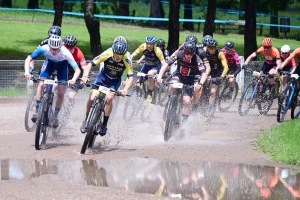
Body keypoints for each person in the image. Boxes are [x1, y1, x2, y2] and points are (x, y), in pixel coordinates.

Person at [24, 35, 81, 128]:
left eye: (56, 49)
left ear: (60, 48)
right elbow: (29, 58)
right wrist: (27, 71)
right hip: (49, 65)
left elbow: (77, 70)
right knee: (41, 84)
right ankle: (37, 110)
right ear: (49, 47)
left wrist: (73, 80)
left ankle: (55, 116)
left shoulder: (66, 53)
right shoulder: (44, 48)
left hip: (62, 67)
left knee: (61, 93)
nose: (54, 51)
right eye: (52, 49)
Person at [80, 39, 134, 136]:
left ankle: (104, 124)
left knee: (109, 98)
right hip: (102, 78)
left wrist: (125, 90)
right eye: (116, 54)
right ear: (113, 51)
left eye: (120, 55)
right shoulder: (107, 53)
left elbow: (131, 77)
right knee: (92, 98)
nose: (117, 57)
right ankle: (86, 120)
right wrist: (85, 76)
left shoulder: (127, 59)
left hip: (114, 81)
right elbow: (90, 65)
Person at [157, 41, 210, 121]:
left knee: (187, 102)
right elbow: (166, 65)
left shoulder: (197, 59)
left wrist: (200, 83)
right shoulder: (179, 54)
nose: (188, 55)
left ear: (194, 53)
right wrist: (160, 76)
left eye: (191, 53)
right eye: (187, 53)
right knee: (172, 86)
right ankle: (170, 101)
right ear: (184, 51)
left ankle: (184, 121)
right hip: (178, 75)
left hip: (190, 79)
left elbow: (204, 74)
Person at [131, 36, 166, 102]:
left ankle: (149, 93)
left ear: (154, 44)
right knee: (137, 84)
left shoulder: (158, 51)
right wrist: (128, 61)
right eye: (147, 43)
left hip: (156, 66)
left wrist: (161, 75)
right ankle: (141, 95)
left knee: (150, 74)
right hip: (146, 65)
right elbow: (133, 55)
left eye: (151, 44)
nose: (149, 45)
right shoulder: (143, 46)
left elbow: (164, 64)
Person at [198, 38, 229, 110]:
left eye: (213, 48)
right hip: (207, 69)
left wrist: (221, 77)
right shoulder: (204, 50)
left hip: (217, 71)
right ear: (207, 47)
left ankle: (210, 109)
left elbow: (226, 67)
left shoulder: (220, 54)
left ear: (216, 48)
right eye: (210, 48)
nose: (211, 50)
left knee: (212, 91)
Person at [63, 34, 87, 105]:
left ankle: (70, 106)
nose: (69, 49)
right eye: (67, 46)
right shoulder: (61, 49)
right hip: (66, 71)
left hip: (77, 74)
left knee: (70, 96)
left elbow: (84, 67)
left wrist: (85, 77)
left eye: (71, 47)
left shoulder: (78, 53)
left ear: (75, 46)